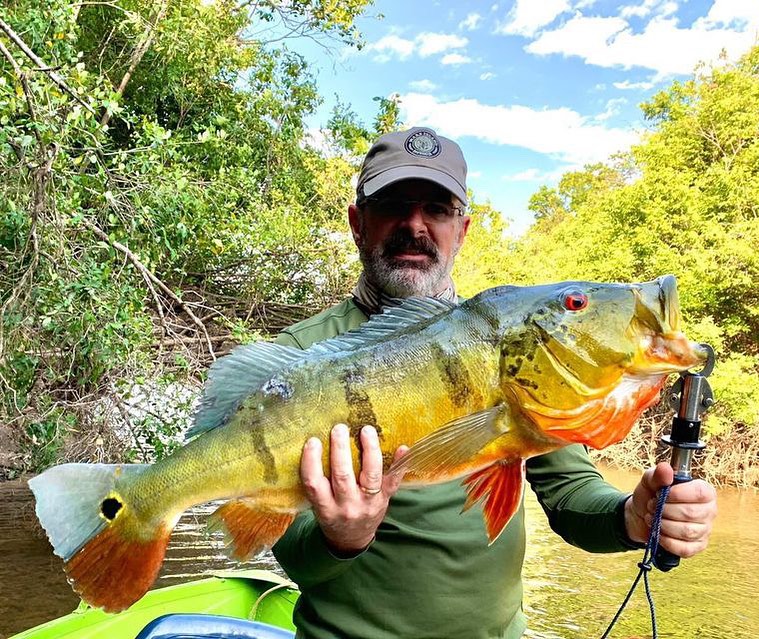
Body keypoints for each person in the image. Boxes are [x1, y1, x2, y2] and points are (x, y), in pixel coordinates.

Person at [271, 127, 717, 639]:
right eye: (393, 204)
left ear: (461, 229)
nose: (414, 225)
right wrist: (340, 538)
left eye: (437, 210)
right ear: (358, 222)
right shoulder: (298, 357)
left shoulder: (515, 340)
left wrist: (633, 518)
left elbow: (571, 493)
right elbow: (292, 553)